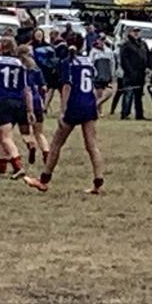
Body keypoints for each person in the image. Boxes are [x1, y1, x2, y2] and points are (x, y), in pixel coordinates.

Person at [24, 41, 105, 194]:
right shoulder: (87, 62)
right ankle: (98, 182)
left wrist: (63, 110)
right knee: (92, 146)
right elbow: (93, 85)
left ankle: (43, 180)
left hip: (74, 105)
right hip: (89, 104)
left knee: (56, 143)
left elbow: (67, 86)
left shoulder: (67, 63)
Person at [0, 37, 33, 179]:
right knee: (1, 136)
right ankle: (2, 169)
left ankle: (18, 166)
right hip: (18, 101)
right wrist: (30, 109)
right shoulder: (19, 63)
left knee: (5, 137)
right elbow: (26, 89)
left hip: (1, 100)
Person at [17, 45, 50, 165]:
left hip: (22, 101)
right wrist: (42, 98)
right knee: (39, 132)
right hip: (36, 101)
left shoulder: (18, 69)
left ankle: (31, 145)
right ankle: (46, 152)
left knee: (25, 132)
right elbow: (44, 87)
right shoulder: (36, 69)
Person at [120, 26, 149, 120]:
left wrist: (147, 67)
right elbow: (124, 60)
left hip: (141, 74)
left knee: (139, 95)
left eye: (138, 31)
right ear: (130, 33)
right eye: (134, 31)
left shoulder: (143, 44)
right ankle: (125, 113)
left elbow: (147, 56)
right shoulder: (126, 45)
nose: (136, 33)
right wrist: (130, 71)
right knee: (128, 94)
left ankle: (139, 114)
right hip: (130, 74)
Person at [89, 34, 115, 117]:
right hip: (98, 75)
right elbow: (91, 63)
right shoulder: (93, 51)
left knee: (109, 92)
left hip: (107, 75)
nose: (101, 42)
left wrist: (112, 73)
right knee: (98, 93)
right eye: (100, 40)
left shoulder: (109, 51)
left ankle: (95, 105)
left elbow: (112, 63)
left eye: (103, 40)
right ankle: (99, 111)